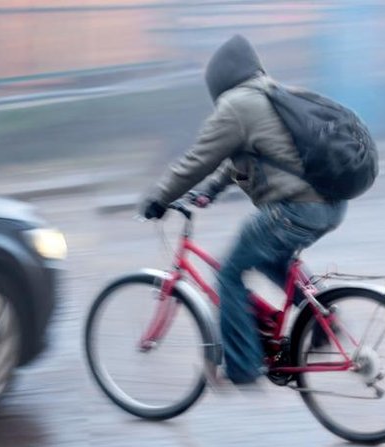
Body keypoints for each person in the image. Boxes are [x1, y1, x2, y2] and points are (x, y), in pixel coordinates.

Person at [139, 34, 347, 386]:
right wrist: (211, 192)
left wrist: (159, 197)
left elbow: (198, 159)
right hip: (330, 205)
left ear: (219, 80)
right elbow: (246, 159)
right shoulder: (273, 94)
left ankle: (241, 367)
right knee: (271, 257)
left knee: (229, 274)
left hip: (295, 210)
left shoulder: (236, 105)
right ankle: (322, 316)